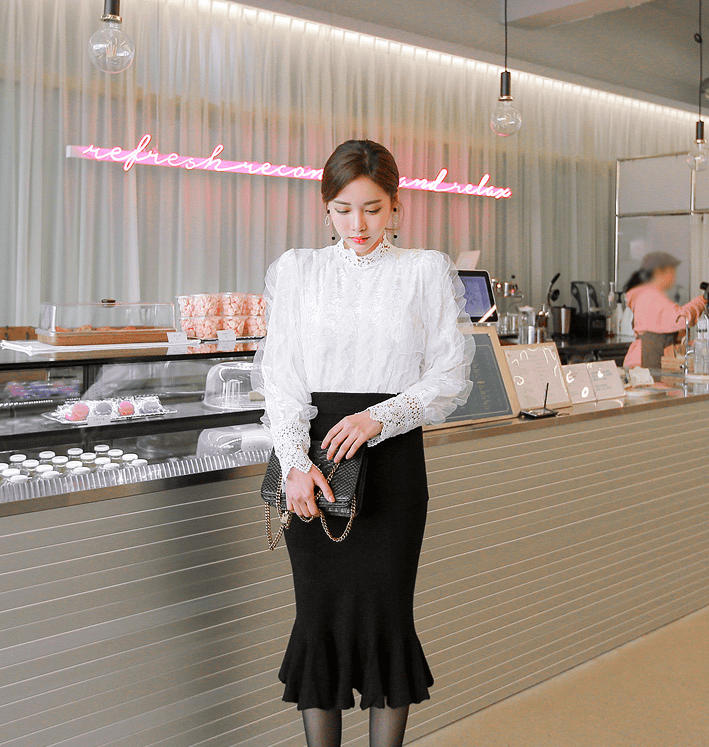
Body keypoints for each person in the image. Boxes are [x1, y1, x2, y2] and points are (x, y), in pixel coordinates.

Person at [252, 139, 473, 747]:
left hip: (392, 460)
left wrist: (380, 417)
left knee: (386, 617)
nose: (358, 224)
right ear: (326, 208)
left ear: (396, 206)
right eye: (343, 209)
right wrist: (294, 464)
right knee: (318, 616)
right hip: (315, 457)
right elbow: (281, 379)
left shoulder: (424, 270)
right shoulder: (297, 270)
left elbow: (450, 375)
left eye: (373, 209)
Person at [622, 251, 707, 370]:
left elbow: (661, 330)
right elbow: (682, 319)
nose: (674, 277)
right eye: (672, 272)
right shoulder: (651, 296)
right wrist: (702, 300)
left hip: (645, 358)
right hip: (645, 361)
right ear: (659, 272)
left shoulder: (647, 294)